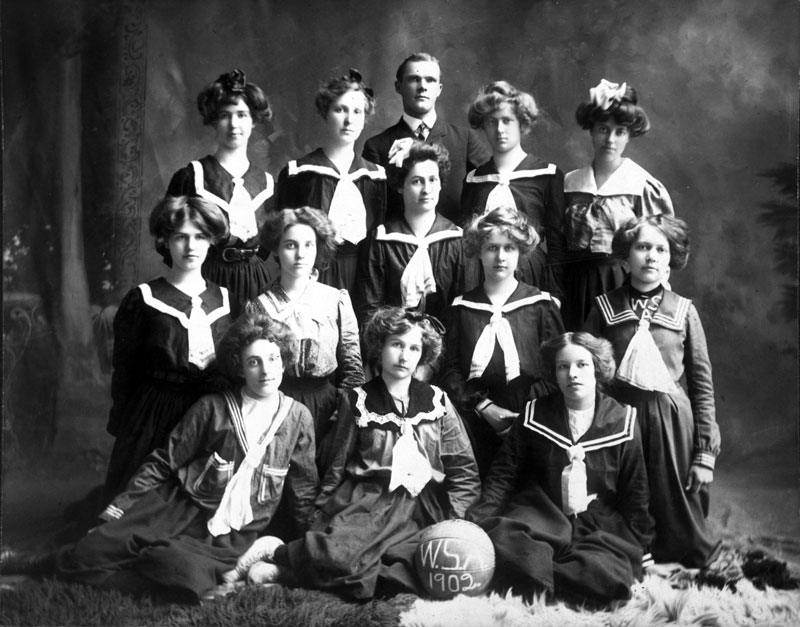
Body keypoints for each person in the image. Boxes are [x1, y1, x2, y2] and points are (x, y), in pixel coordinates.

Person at [2, 314, 319, 602]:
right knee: (90, 552)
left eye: (273, 358)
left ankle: (226, 569)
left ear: (284, 361)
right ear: (238, 366)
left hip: (227, 535)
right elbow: (163, 461)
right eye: (254, 362)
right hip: (173, 507)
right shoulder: (213, 408)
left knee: (179, 571)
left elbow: (303, 487)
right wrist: (116, 511)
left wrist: (308, 544)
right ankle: (39, 562)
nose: (265, 370)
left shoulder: (298, 418)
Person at [239, 307, 480, 599]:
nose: (404, 356)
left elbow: (464, 469)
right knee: (342, 555)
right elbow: (337, 465)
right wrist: (319, 514)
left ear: (423, 353)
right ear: (380, 347)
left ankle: (286, 574)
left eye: (414, 348)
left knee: (405, 569)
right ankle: (277, 553)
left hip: (421, 507)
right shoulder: (357, 401)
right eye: (397, 345)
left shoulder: (437, 401)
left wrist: (451, 522)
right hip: (368, 502)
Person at [467, 332, 654, 604]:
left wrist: (642, 548)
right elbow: (504, 474)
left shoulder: (622, 420)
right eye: (563, 367)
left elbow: (635, 490)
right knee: (507, 541)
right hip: (541, 512)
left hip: (596, 520)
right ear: (554, 373)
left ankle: (542, 581)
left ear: (598, 369)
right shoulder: (535, 414)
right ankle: (551, 578)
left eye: (582, 365)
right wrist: (476, 522)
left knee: (606, 571)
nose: (572, 374)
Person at [584, 214, 720, 568]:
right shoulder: (604, 308)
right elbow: (588, 373)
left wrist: (705, 453)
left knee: (676, 502)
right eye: (643, 247)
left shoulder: (684, 311)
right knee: (620, 498)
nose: (652, 257)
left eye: (661, 249)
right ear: (626, 256)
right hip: (619, 421)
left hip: (671, 424)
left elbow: (702, 385)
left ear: (671, 258)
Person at [104, 195, 232, 501]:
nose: (191, 247)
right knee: (140, 497)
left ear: (212, 241)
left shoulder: (226, 298)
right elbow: (125, 368)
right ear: (165, 241)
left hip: (208, 412)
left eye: (200, 237)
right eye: (181, 237)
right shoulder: (144, 298)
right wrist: (125, 419)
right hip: (155, 412)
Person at [441, 206, 564, 476]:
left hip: (532, 419)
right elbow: (450, 371)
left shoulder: (541, 306)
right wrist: (484, 407)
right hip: (474, 420)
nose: (500, 256)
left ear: (521, 253)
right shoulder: (462, 308)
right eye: (491, 248)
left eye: (509, 248)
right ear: (478, 251)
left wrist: (521, 413)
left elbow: (556, 370)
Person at [245, 207, 365, 472]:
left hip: (327, 402)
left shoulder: (335, 299)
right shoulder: (260, 307)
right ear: (276, 250)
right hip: (278, 399)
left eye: (308, 245)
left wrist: (343, 411)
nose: (300, 254)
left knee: (323, 471)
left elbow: (352, 364)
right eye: (290, 245)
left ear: (318, 248)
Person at [562, 79, 674, 330]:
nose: (610, 139)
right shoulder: (570, 182)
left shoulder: (641, 185)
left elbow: (659, 249)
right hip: (575, 287)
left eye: (619, 132)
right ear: (591, 130)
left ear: (629, 136)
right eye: (603, 129)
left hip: (622, 285)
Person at [166, 69, 275, 317]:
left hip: (255, 280)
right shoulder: (192, 177)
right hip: (208, 277)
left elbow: (267, 245)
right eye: (225, 115)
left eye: (242, 115)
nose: (234, 124)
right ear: (214, 120)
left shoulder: (267, 184)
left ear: (254, 120)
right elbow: (168, 243)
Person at [275, 69, 386, 296]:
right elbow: (283, 235)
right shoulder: (300, 173)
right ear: (326, 113)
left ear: (365, 119)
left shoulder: (376, 177)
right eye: (340, 110)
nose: (348, 120)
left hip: (365, 277)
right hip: (314, 273)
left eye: (357, 111)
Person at [461, 81, 566, 299]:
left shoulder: (547, 175)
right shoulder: (474, 179)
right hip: (480, 275)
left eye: (507, 121)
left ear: (522, 123)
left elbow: (557, 244)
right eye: (491, 122)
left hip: (531, 273)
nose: (499, 130)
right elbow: (467, 242)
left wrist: (555, 294)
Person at [363, 52, 490, 225]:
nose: (422, 86)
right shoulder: (377, 146)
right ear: (398, 87)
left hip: (454, 245)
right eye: (414, 79)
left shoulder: (464, 139)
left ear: (439, 89)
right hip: (399, 247)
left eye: (430, 80)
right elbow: (371, 212)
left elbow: (491, 187)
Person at [358, 141, 469, 329]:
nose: (427, 190)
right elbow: (371, 309)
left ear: (441, 184)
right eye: (417, 181)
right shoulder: (381, 241)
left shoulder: (457, 241)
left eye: (433, 180)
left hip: (445, 349)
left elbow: (462, 311)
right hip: (392, 345)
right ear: (400, 186)